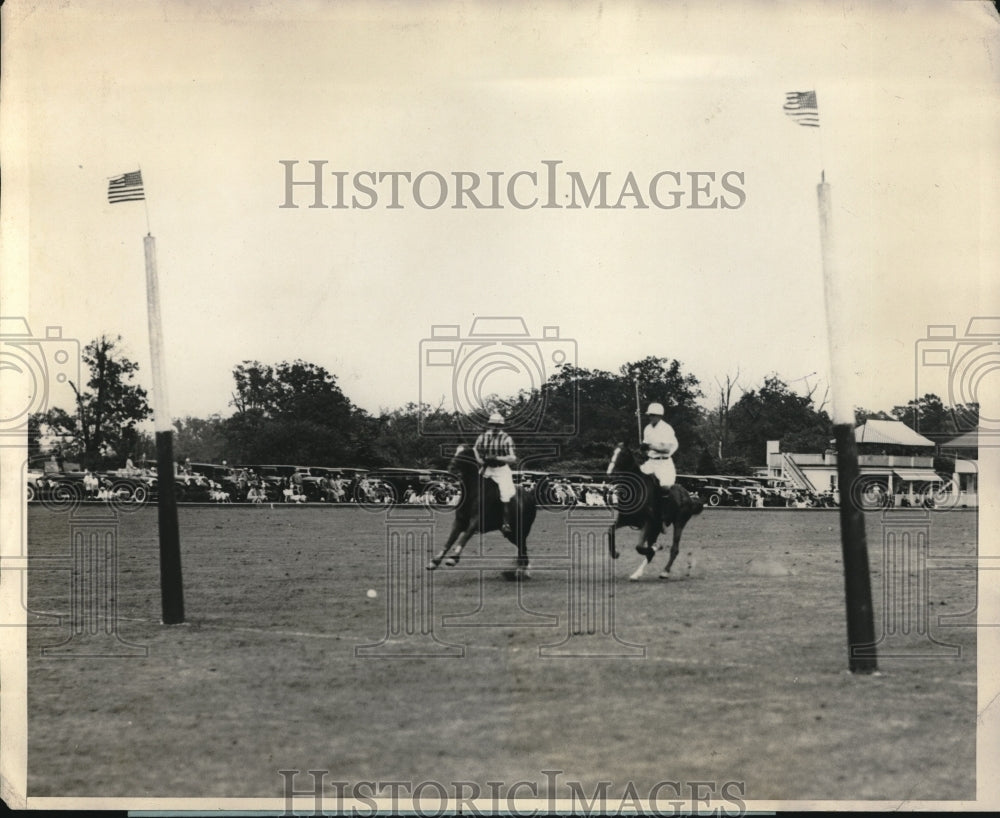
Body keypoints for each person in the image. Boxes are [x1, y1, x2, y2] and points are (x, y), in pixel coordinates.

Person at [473, 411, 517, 535]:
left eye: (498, 426)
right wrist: (480, 460)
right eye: (493, 425)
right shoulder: (483, 436)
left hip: (501, 469)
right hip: (487, 468)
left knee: (504, 494)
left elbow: (513, 458)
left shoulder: (506, 438)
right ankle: (475, 521)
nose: (495, 428)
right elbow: (475, 448)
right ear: (489, 425)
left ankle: (506, 523)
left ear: (502, 426)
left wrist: (497, 458)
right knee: (476, 492)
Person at [639, 402, 679, 489]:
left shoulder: (666, 429)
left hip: (664, 464)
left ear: (659, 416)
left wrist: (650, 446)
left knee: (665, 488)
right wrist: (644, 449)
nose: (651, 417)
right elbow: (646, 448)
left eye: (653, 415)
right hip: (651, 462)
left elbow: (667, 449)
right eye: (650, 415)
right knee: (638, 481)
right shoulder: (647, 429)